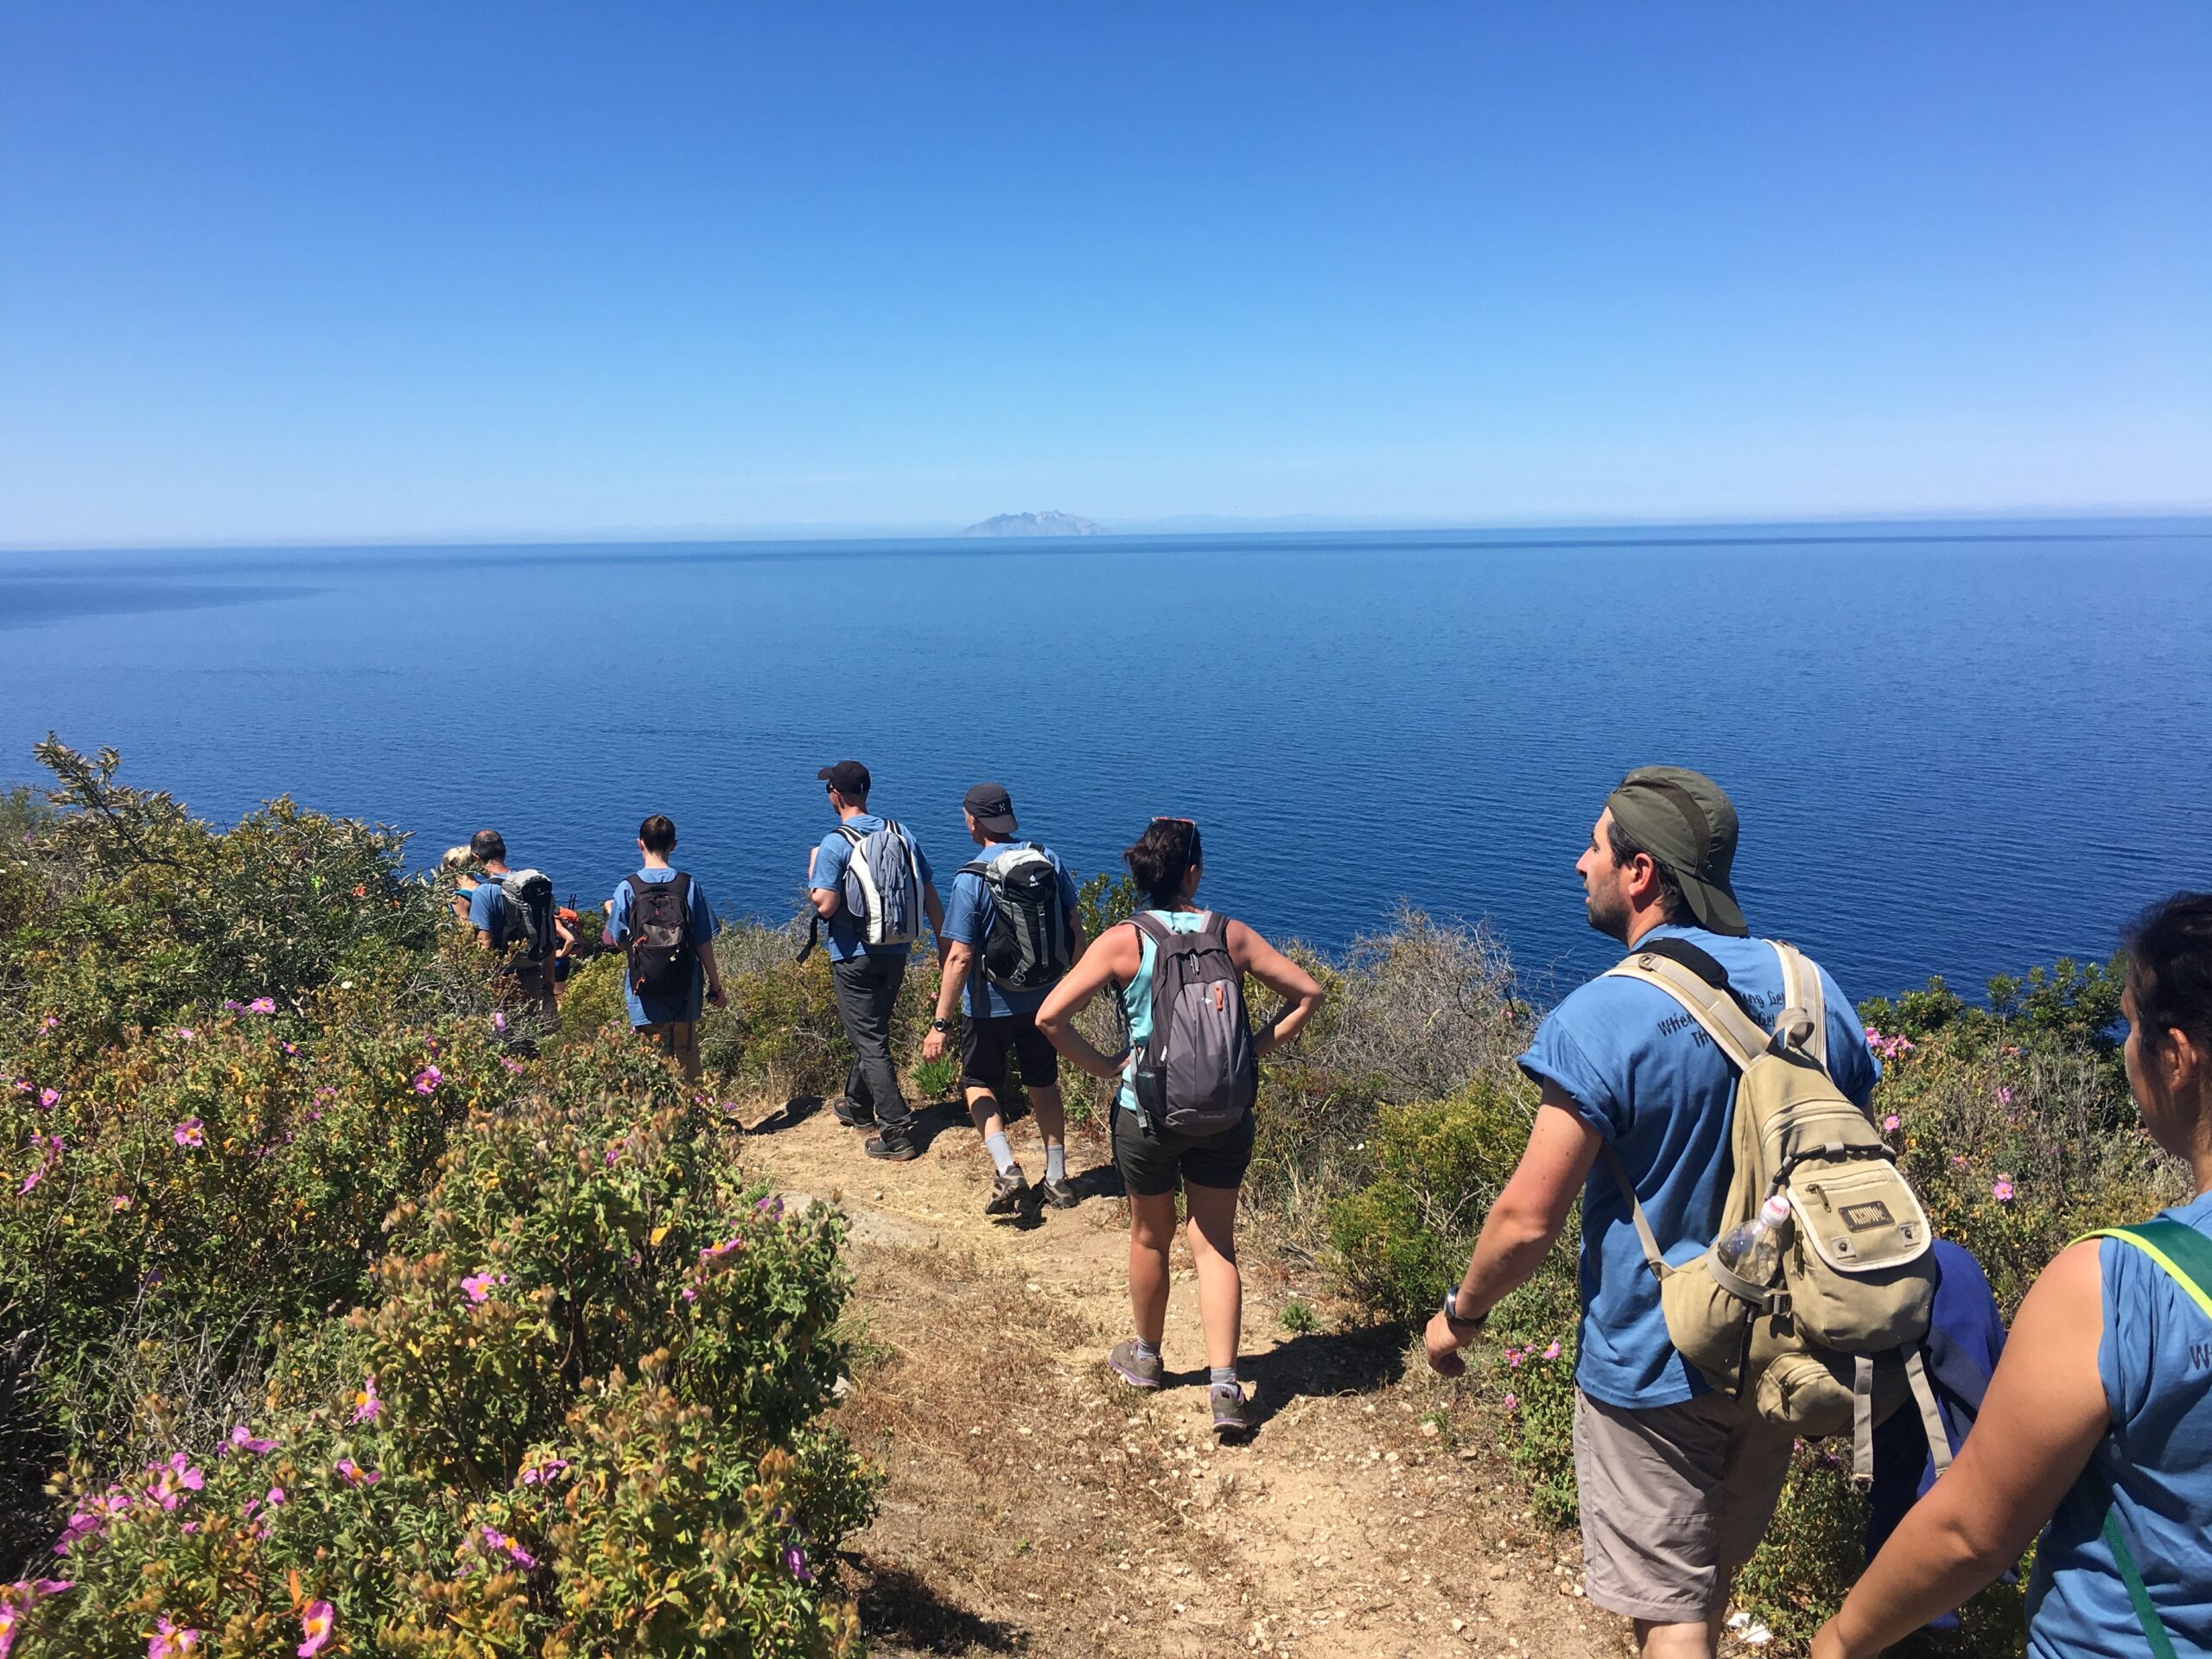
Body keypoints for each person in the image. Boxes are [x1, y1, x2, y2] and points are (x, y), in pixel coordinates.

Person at [1421, 767, 1878, 1659]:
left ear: (1639, 874)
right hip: (1784, 1351)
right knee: (1707, 1586)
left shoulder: (1605, 1015)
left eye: (1594, 846)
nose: (1577, 863)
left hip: (1654, 1364)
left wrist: (1457, 1318)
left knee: (1670, 1612)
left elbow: (1525, 1220)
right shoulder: (1813, 990)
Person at [1813, 892, 2212, 1659]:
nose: (2126, 1046)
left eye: (2131, 1025)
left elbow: (1971, 1534)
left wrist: (1838, 1642)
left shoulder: (2117, 1286)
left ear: (2176, 1056)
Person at [1036, 817, 1324, 1440]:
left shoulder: (1123, 941)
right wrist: (1249, 1051)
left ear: (1144, 875)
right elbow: (1308, 993)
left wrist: (1108, 1066)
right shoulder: (1232, 936)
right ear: (1194, 870)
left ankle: (1145, 1357)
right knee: (1216, 1243)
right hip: (1226, 1113)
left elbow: (1050, 1017)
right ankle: (1225, 1385)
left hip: (1148, 1114)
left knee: (1149, 1237)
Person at [923, 782, 1088, 1214]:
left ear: (974, 822)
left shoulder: (970, 878)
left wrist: (940, 1023)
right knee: (1044, 1084)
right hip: (1044, 1001)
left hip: (988, 1005)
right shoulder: (1046, 858)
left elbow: (959, 956)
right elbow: (1075, 927)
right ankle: (1057, 1180)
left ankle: (1007, 1168)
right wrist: (1075, 989)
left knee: (978, 1083)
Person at [807, 760, 945, 1161]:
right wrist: (942, 944)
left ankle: (896, 1130)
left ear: (836, 794)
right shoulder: (901, 833)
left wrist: (814, 873)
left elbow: (827, 905)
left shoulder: (835, 843)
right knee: (872, 1032)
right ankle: (855, 1104)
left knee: (869, 1040)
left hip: (854, 956)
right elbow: (930, 894)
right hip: (897, 950)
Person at [602, 815, 727, 1081]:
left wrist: (610, 913)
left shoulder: (628, 888)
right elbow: (703, 941)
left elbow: (615, 940)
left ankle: (662, 1118)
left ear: (640, 844)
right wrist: (715, 986)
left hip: (645, 988)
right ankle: (695, 1115)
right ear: (674, 845)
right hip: (685, 985)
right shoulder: (689, 886)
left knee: (653, 1057)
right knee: (687, 1051)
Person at [464, 829, 575, 1022]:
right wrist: (549, 981)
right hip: (532, 975)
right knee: (526, 1040)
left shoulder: (484, 893)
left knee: (500, 1041)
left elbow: (485, 943)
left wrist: (477, 986)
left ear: (475, 857)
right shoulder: (531, 887)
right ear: (504, 852)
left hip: (501, 980)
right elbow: (547, 933)